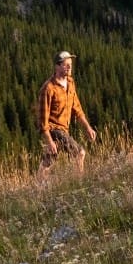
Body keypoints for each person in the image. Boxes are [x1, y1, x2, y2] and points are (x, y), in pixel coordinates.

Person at [37, 50, 97, 178]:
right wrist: (49, 140)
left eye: (70, 64)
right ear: (57, 66)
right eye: (65, 64)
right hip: (54, 130)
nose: (69, 67)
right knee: (79, 153)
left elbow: (77, 108)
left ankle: (38, 190)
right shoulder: (48, 89)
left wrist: (87, 127)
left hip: (64, 129)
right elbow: (43, 120)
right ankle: (79, 182)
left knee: (47, 163)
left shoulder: (70, 82)